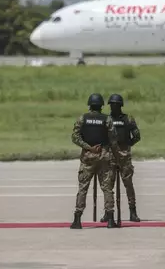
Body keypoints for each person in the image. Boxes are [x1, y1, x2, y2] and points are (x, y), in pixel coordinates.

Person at [70, 93, 120, 229]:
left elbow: (75, 137)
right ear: (101, 106)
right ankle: (110, 219)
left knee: (83, 188)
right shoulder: (107, 119)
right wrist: (115, 156)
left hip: (88, 157)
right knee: (107, 188)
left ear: (89, 105)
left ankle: (77, 219)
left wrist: (88, 147)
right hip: (104, 155)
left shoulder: (83, 119)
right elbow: (114, 139)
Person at [99, 93, 142, 223]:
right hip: (111, 156)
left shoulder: (128, 119)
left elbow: (136, 135)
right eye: (112, 105)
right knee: (108, 185)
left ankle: (132, 211)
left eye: (115, 105)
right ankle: (108, 211)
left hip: (122, 156)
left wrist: (127, 145)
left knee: (128, 184)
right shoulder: (107, 119)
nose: (114, 107)